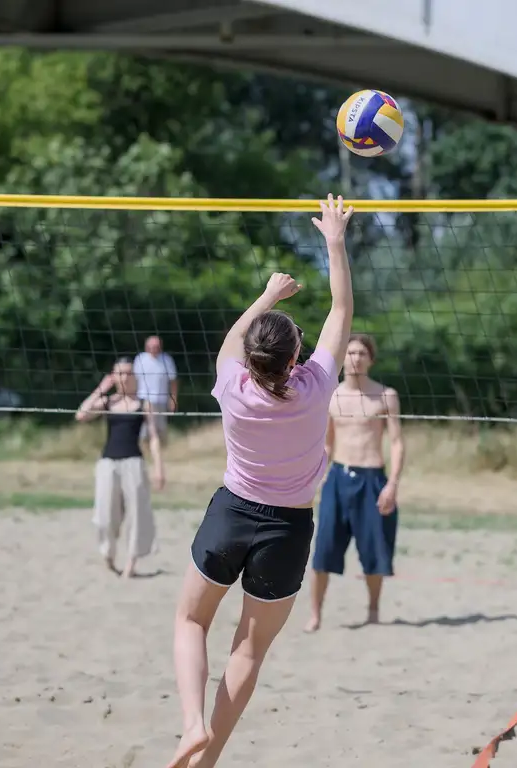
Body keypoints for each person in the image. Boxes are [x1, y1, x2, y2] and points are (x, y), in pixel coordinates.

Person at [164, 193, 354, 768]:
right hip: (289, 529)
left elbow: (235, 337)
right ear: (297, 356)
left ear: (250, 361)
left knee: (190, 620)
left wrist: (269, 294)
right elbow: (341, 313)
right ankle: (209, 755)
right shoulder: (317, 386)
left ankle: (191, 724)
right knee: (248, 647)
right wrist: (335, 243)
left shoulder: (232, 386)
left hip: (231, 514)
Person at [304, 333, 405, 633]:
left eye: (362, 353)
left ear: (371, 359)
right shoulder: (332, 395)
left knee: (375, 552)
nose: (356, 358)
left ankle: (373, 610)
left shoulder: (386, 395)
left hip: (373, 477)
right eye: (351, 353)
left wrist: (393, 484)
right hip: (337, 478)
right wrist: (312, 480)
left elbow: (397, 442)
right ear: (343, 358)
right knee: (323, 551)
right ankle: (315, 615)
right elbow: (326, 445)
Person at [76, 357, 165, 579]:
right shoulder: (108, 402)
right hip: (108, 463)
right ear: (113, 377)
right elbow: (81, 415)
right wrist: (101, 388)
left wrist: (159, 468)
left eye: (128, 373)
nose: (124, 377)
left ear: (134, 376)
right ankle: (108, 555)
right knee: (105, 516)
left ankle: (131, 564)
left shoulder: (144, 403)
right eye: (120, 373)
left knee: (137, 515)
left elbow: (153, 437)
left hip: (133, 463)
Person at [133, 335, 178, 445]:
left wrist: (173, 399)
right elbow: (134, 380)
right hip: (144, 398)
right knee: (144, 428)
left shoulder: (167, 360)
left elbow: (173, 381)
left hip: (161, 399)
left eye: (156, 346)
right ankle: (145, 450)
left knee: (161, 427)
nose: (154, 349)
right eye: (151, 346)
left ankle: (161, 450)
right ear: (146, 347)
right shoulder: (140, 359)